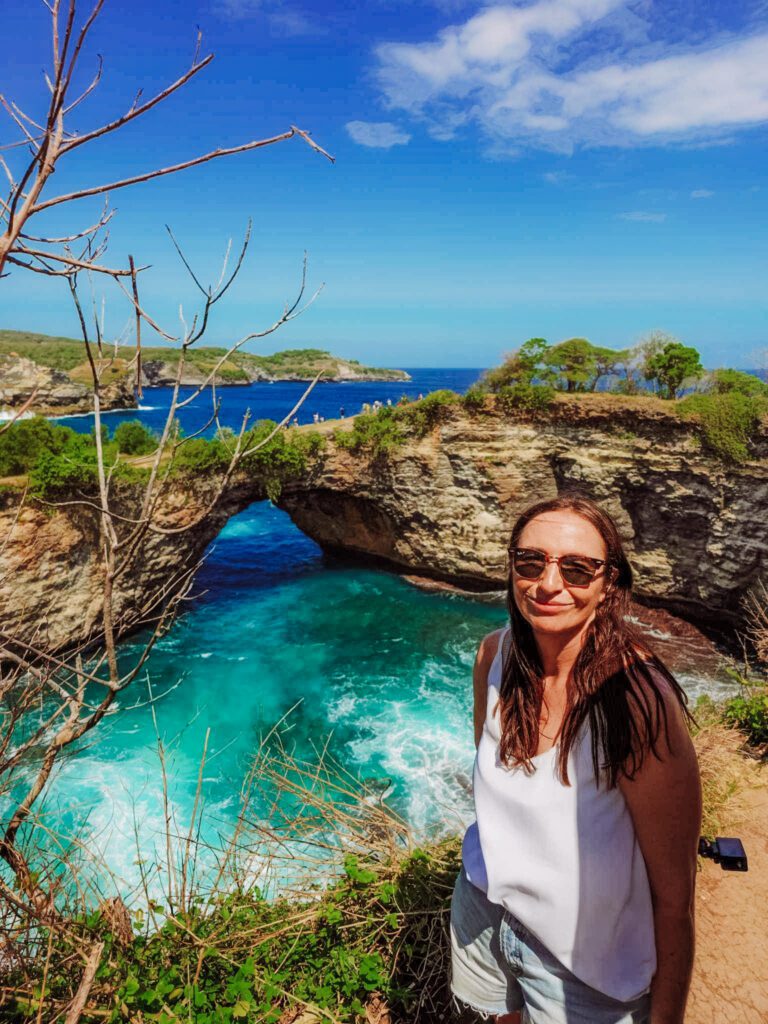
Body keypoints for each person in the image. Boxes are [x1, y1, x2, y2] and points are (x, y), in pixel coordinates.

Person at [451, 494, 701, 1024]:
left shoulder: (636, 702)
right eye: (530, 561)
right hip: (482, 905)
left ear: (609, 582)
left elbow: (675, 901)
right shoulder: (493, 657)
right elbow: (491, 793)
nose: (547, 584)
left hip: (587, 964)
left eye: (577, 569)